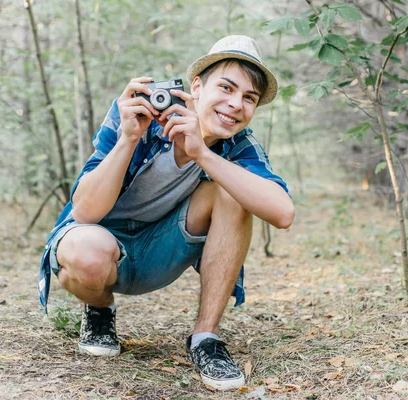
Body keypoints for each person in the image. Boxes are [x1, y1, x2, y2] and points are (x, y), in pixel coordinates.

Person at [37, 35, 294, 391]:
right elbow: (85, 211)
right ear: (197, 87)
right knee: (85, 253)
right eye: (227, 88)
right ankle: (99, 310)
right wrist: (128, 138)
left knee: (235, 193)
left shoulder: (239, 146)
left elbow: (283, 214)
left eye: (248, 98)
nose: (236, 104)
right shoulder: (143, 113)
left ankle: (206, 338)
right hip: (100, 246)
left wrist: (204, 154)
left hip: (162, 251)